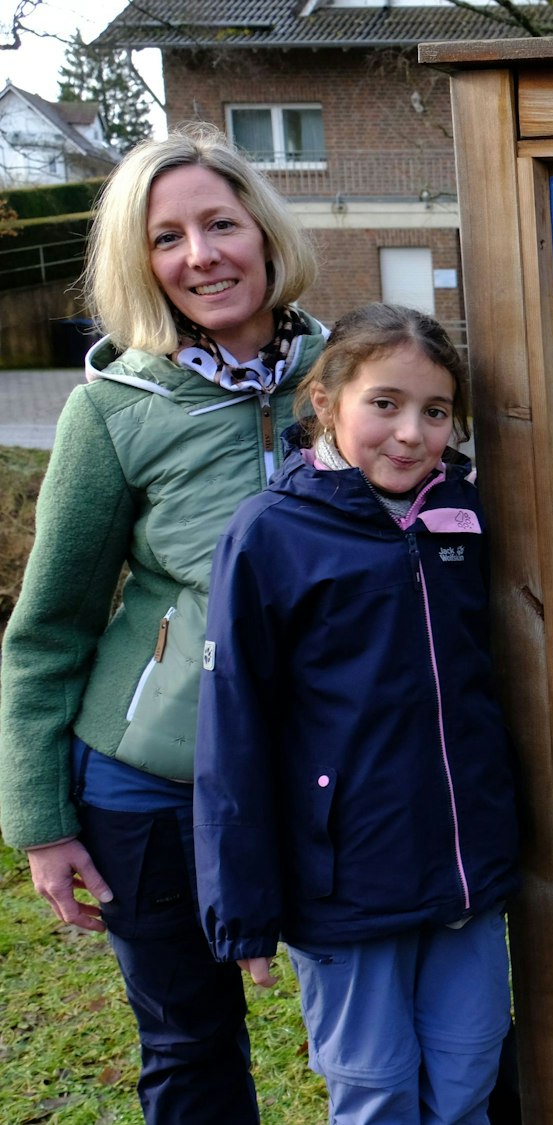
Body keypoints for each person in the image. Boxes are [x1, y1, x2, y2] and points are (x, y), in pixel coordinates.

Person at [0, 123, 324, 1123]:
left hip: (330, 774)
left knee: (393, 1017)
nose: (200, 255)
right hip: (150, 788)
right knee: (189, 1046)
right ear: (140, 263)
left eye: (219, 224)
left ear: (262, 232)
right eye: (166, 237)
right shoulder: (113, 411)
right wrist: (41, 824)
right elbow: (48, 628)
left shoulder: (355, 374)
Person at [195, 303, 519, 1124]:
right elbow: (233, 726)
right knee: (375, 1092)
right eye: (385, 402)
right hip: (346, 887)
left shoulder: (469, 518)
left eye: (435, 411)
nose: (411, 433)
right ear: (325, 398)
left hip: (462, 880)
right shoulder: (270, 534)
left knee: (466, 1082)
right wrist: (243, 904)